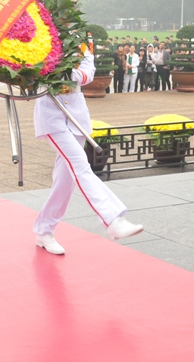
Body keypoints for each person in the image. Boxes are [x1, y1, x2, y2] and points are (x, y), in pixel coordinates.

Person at [32, 44, 144, 255]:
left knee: (65, 180)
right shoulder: (40, 34)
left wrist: (63, 72)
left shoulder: (83, 41)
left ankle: (44, 230)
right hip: (52, 116)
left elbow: (87, 73)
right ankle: (112, 219)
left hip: (76, 116)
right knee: (80, 165)